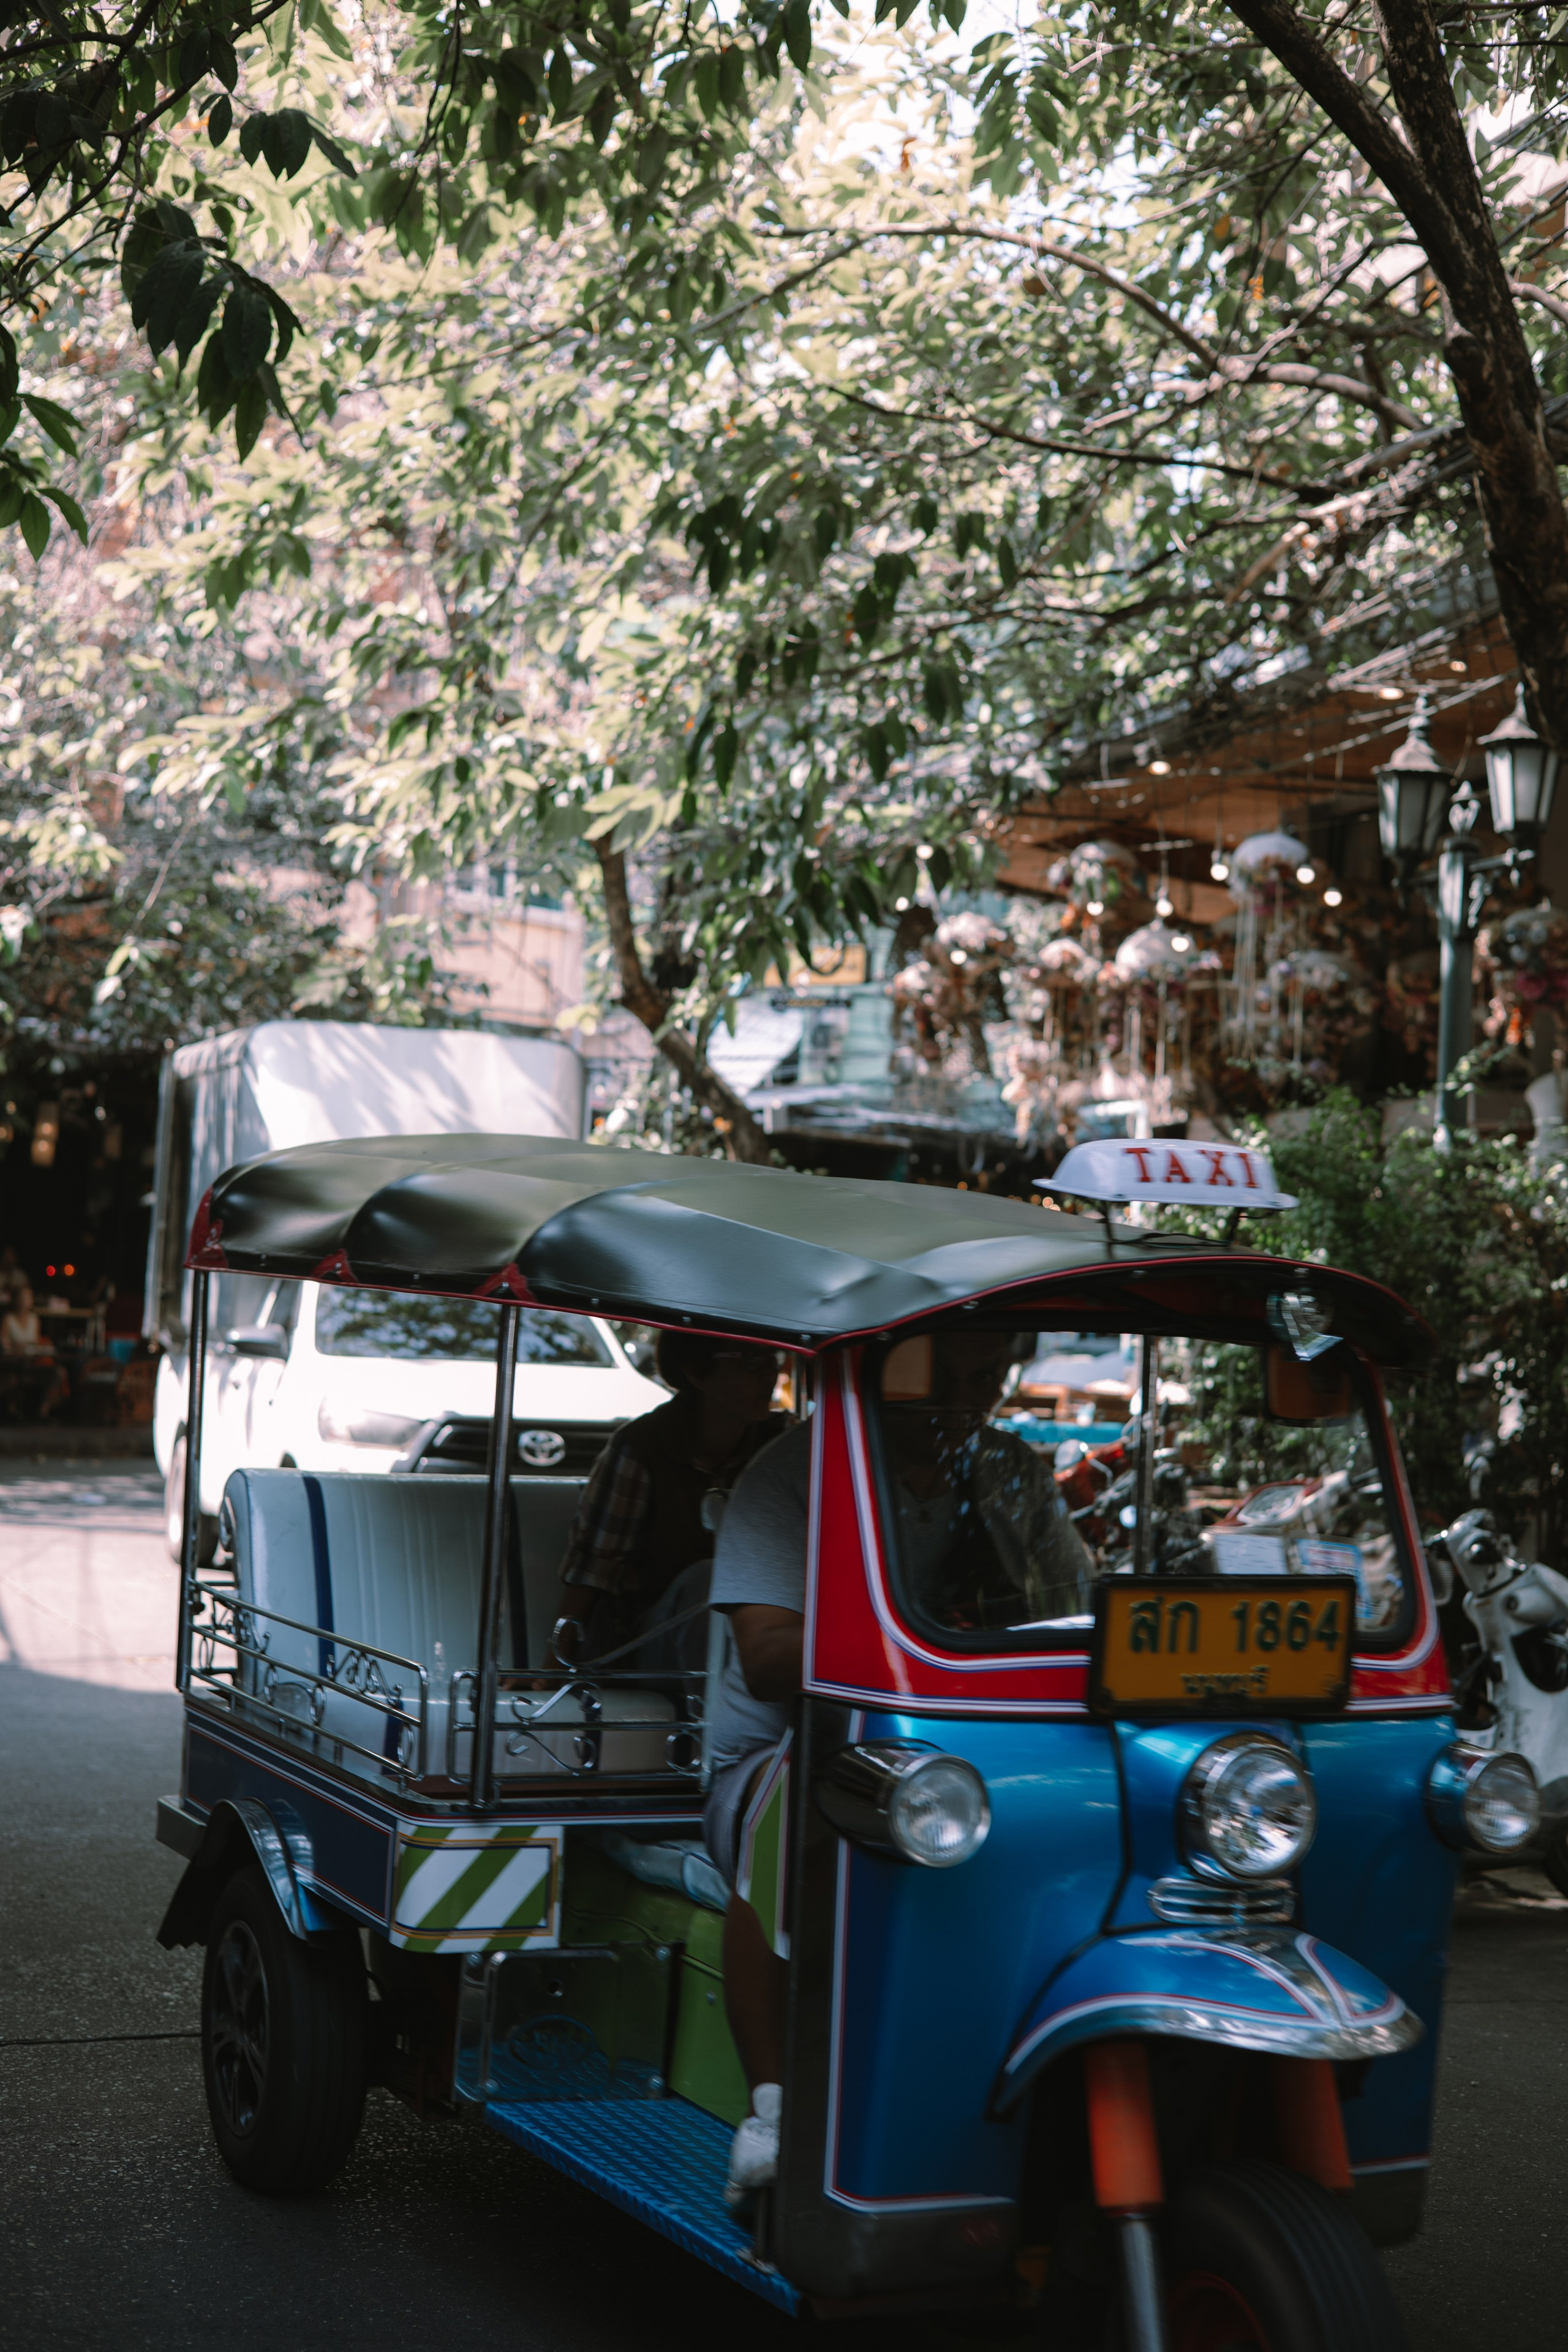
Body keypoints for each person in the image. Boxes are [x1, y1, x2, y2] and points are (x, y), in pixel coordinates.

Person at [704, 1326, 1091, 2209]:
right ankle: (771, 2113)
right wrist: (928, 1639)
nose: (967, 1388)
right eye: (942, 1367)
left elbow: (1070, 1616)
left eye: (984, 1367)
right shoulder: (793, 1474)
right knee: (810, 1783)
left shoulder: (1011, 1477)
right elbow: (767, 1656)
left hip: (965, 1753)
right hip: (780, 1751)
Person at [551, 1330, 787, 1669]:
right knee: (709, 1580)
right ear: (696, 1373)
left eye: (772, 1359)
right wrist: (554, 1663)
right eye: (751, 1361)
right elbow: (595, 1569)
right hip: (651, 1637)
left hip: (761, 1632)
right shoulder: (642, 1448)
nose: (770, 1375)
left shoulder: (780, 1447)